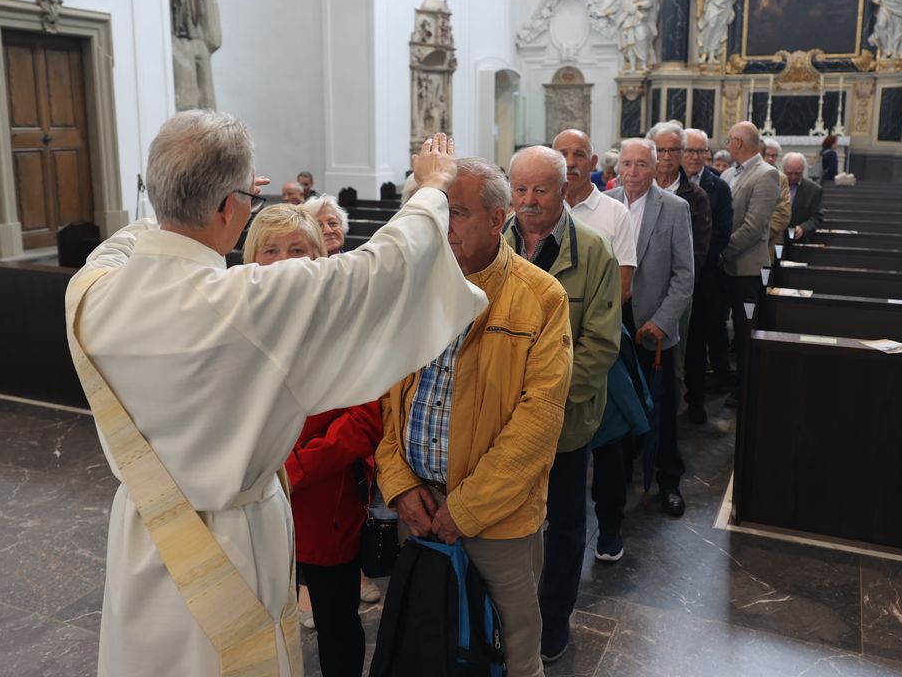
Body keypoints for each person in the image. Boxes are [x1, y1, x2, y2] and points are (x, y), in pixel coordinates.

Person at [66, 115, 486, 677]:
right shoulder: (251, 302)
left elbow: (134, 240)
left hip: (143, 535)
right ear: (228, 210)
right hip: (230, 545)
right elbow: (385, 267)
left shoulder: (93, 290)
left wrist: (219, 193)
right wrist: (432, 186)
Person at [376, 157, 572, 677]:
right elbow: (387, 398)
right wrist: (397, 482)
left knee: (511, 651)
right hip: (418, 505)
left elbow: (539, 422)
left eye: (457, 213)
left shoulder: (540, 297)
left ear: (497, 218)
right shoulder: (415, 285)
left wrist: (465, 509)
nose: (444, 226)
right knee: (429, 645)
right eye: (439, 211)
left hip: (498, 518)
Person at [243, 205, 379, 677]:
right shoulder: (237, 322)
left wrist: (295, 469)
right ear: (252, 258)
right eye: (271, 250)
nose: (284, 261)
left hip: (324, 502)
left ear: (319, 255)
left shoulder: (344, 322)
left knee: (336, 620)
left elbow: (364, 418)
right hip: (254, 500)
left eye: (297, 250)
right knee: (261, 619)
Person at [507, 145, 621, 664]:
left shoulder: (593, 250)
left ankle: (553, 623)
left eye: (540, 190)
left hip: (565, 424)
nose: (528, 202)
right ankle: (505, 621)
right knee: (503, 523)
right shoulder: (493, 241)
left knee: (566, 524)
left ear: (564, 188)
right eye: (520, 190)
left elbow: (600, 345)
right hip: (498, 423)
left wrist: (544, 406)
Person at [604, 138, 694, 529]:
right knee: (619, 410)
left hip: (654, 329)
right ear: (617, 169)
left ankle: (668, 482)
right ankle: (618, 481)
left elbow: (684, 275)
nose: (634, 172)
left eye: (642, 164)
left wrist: (662, 320)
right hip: (613, 326)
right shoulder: (606, 204)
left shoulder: (674, 209)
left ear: (656, 168)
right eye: (627, 164)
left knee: (661, 413)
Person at [678, 128, 733, 422]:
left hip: (704, 278)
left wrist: (697, 268)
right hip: (670, 279)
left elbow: (723, 231)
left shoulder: (718, 185)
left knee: (698, 342)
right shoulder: (668, 182)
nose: (696, 157)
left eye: (701, 151)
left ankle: (696, 400)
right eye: (690, 150)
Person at [721, 122, 780, 386]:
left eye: (729, 140)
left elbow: (754, 228)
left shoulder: (766, 174)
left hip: (746, 270)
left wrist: (722, 251)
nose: (726, 145)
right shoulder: (728, 175)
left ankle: (745, 388)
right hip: (724, 269)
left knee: (746, 330)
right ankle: (725, 377)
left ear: (739, 142)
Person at [554, 129, 636, 301]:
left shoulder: (616, 212)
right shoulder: (544, 209)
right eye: (562, 154)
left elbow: (623, 287)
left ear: (593, 163)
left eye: (579, 155)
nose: (570, 163)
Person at [650, 121, 712, 271]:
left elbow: (698, 250)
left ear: (682, 152)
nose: (666, 156)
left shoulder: (697, 197)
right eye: (660, 150)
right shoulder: (638, 189)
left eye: (673, 150)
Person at [783, 153, 824, 244]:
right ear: (783, 169)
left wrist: (803, 228)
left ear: (803, 170)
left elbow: (817, 217)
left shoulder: (814, 190)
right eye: (789, 173)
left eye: (798, 173)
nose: (793, 177)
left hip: (798, 241)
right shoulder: (774, 185)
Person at [762, 139, 791, 261]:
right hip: (746, 241)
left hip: (770, 239)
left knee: (767, 276)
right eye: (767, 155)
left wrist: (762, 236)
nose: (770, 158)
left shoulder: (781, 178)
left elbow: (782, 213)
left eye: (773, 155)